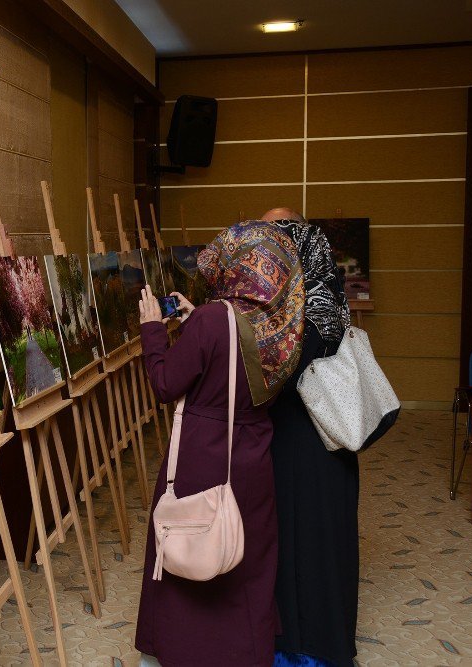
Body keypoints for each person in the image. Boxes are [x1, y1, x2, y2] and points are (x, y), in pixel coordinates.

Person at [135, 220, 305, 666]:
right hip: (253, 454)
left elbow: (165, 382)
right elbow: (236, 357)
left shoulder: (214, 320)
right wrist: (199, 320)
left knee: (190, 540)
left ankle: (186, 649)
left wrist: (153, 330)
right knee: (246, 554)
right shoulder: (281, 324)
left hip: (205, 451)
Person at [260, 207, 359, 667]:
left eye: (276, 233)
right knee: (303, 543)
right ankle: (307, 641)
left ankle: (309, 649)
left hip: (308, 439)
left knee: (311, 544)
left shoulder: (302, 305)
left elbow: (278, 370)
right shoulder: (326, 294)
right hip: (308, 445)